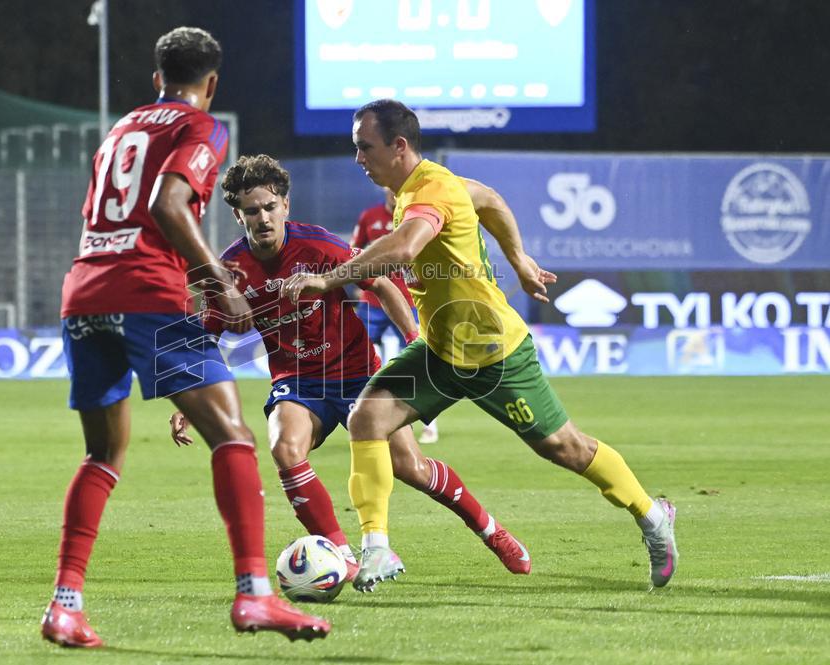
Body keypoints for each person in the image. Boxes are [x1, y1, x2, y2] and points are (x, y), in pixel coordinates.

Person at [281, 99, 678, 592]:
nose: (359, 158)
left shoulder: (431, 194)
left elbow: (404, 248)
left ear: (399, 147)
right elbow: (489, 198)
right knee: (367, 418)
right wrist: (521, 258)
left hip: (495, 354)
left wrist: (329, 281)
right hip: (439, 353)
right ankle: (376, 547)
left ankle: (652, 514)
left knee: (566, 448)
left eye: (366, 147)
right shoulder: (426, 186)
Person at [42, 27, 330, 648]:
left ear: (155, 79)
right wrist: (216, 283)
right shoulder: (201, 128)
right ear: (212, 83)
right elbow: (171, 204)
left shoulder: (122, 129)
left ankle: (65, 606)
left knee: (101, 455)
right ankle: (255, 596)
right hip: (145, 294)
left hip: (86, 292)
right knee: (233, 435)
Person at [169, 154, 531, 592]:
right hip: (298, 382)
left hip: (360, 374)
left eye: (269, 207)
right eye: (251, 210)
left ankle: (490, 529)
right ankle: (342, 556)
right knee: (285, 449)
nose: (262, 218)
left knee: (411, 468)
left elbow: (379, 283)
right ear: (237, 214)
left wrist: (415, 338)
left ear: (285, 205)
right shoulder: (228, 272)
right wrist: (189, 397)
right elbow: (206, 334)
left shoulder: (320, 246)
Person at [352, 188, 439, 444]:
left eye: (396, 190)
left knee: (417, 362)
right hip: (372, 302)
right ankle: (365, 414)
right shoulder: (369, 217)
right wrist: (358, 284)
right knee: (354, 353)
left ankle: (429, 422)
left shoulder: (416, 217)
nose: (392, 193)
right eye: (388, 190)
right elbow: (352, 252)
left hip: (408, 301)